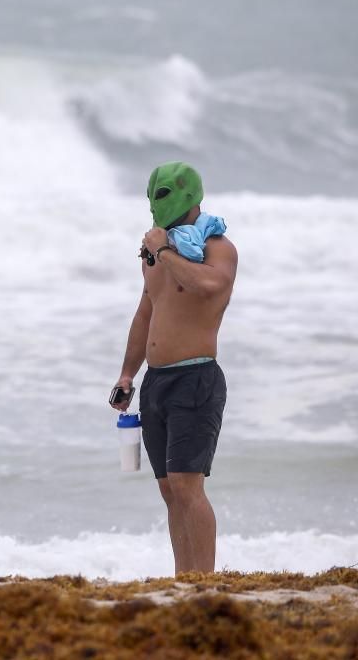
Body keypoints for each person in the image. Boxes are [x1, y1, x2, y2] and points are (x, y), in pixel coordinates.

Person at [110, 162, 237, 574]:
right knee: (169, 490)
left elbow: (210, 285)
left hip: (196, 377)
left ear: (189, 196)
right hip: (156, 381)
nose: (156, 204)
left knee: (187, 485)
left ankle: (206, 580)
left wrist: (164, 252)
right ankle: (184, 578)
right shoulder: (153, 256)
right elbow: (145, 314)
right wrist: (128, 374)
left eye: (164, 194)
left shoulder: (218, 248)